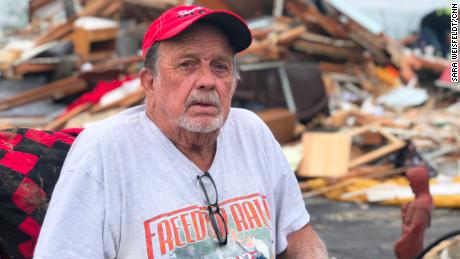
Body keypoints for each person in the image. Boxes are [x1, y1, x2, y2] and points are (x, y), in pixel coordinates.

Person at [34, 5, 327, 259]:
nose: (207, 81)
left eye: (220, 66)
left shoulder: (252, 132)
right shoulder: (104, 151)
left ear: (234, 82)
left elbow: (297, 233)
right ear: (150, 82)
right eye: (187, 65)